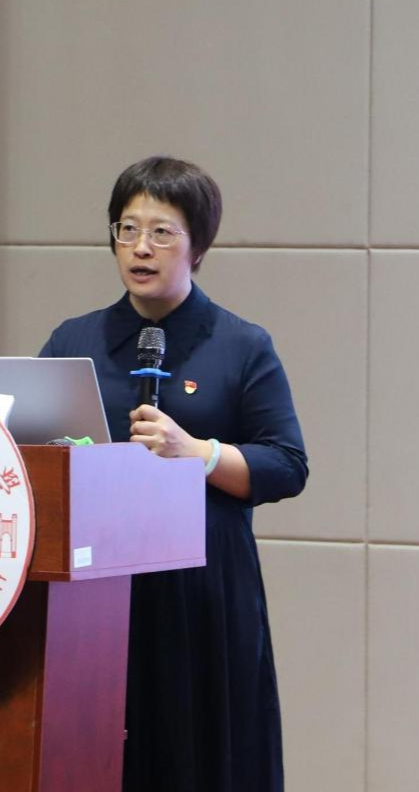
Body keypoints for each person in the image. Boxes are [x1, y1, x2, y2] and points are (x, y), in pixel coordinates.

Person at [39, 156, 308, 791]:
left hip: (201, 589)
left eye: (162, 232)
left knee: (202, 755)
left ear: (198, 246)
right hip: (93, 591)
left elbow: (286, 464)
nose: (141, 248)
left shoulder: (239, 345)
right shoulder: (74, 341)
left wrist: (200, 453)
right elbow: (33, 448)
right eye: (127, 229)